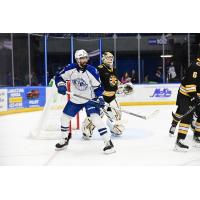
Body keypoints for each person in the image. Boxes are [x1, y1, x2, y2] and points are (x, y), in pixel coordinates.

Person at [54, 49, 115, 154]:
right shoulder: (70, 69)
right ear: (77, 59)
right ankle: (64, 140)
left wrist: (99, 98)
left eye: (86, 58)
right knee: (64, 118)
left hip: (89, 99)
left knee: (96, 119)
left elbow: (98, 87)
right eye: (82, 58)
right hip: (75, 99)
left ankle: (108, 142)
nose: (85, 60)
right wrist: (61, 85)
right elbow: (59, 77)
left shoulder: (91, 70)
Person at [81, 52, 125, 138]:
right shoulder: (99, 69)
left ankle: (113, 127)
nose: (110, 59)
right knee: (97, 115)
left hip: (112, 97)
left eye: (111, 57)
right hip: (101, 97)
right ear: (103, 58)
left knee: (117, 114)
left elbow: (115, 81)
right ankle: (86, 128)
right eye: (108, 57)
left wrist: (122, 87)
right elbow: (93, 82)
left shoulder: (114, 69)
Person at [169, 57, 200, 151]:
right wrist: (195, 97)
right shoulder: (196, 66)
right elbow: (190, 84)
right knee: (186, 116)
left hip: (196, 95)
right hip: (186, 95)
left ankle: (197, 136)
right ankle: (179, 141)